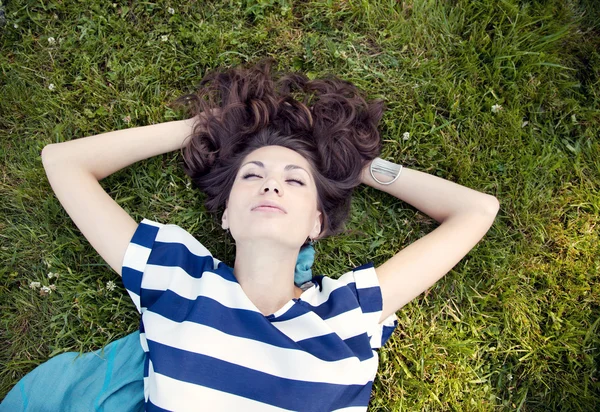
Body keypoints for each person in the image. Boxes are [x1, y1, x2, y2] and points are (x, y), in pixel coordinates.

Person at [7, 58, 499, 411]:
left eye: (294, 180)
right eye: (252, 174)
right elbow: (64, 163)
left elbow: (476, 210)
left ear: (317, 224)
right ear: (225, 216)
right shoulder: (178, 281)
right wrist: (203, 128)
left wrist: (357, 167)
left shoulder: (349, 312)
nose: (270, 183)